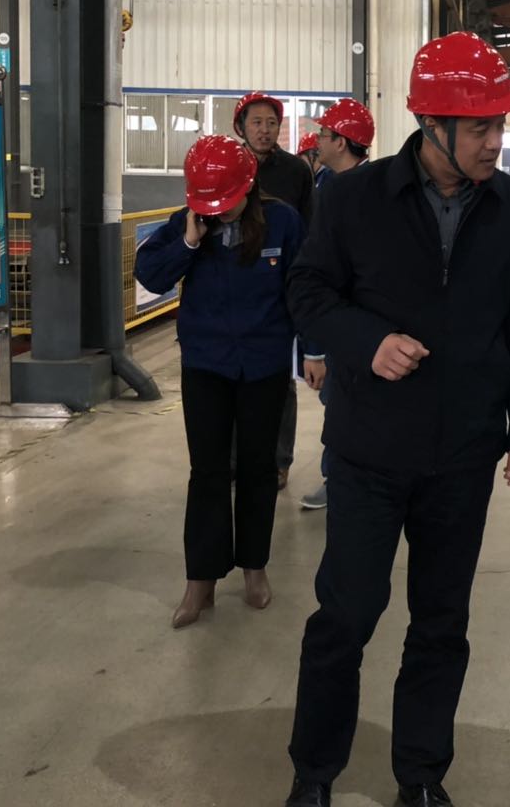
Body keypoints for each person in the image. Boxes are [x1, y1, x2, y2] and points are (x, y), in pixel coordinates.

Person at [283, 32, 510, 807]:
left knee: (441, 623)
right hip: (369, 450)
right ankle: (314, 773)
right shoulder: (355, 199)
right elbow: (307, 292)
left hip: (463, 455)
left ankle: (422, 776)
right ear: (431, 123)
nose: (495, 141)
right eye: (480, 127)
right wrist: (366, 341)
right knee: (347, 615)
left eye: (500, 125)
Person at [134, 135, 304, 629]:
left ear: (248, 187)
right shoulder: (188, 224)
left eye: (226, 202)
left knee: (258, 469)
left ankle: (254, 567)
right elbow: (151, 276)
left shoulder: (283, 222)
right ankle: (201, 580)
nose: (219, 212)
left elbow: (303, 287)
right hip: (206, 365)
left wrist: (312, 350)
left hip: (263, 365)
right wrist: (189, 242)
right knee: (207, 470)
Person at [298, 96, 377, 512]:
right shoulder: (330, 184)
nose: (318, 142)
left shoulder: (362, 192)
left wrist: (318, 348)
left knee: (345, 406)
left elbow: (328, 274)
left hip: (352, 326)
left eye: (325, 135)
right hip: (340, 323)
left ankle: (342, 480)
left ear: (342, 142)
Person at [234, 91, 315, 490]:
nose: (265, 130)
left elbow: (310, 226)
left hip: (280, 284)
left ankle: (278, 461)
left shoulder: (296, 171)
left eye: (271, 123)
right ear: (241, 127)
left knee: (279, 378)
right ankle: (236, 460)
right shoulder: (230, 166)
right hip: (236, 284)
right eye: (257, 123)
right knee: (233, 378)